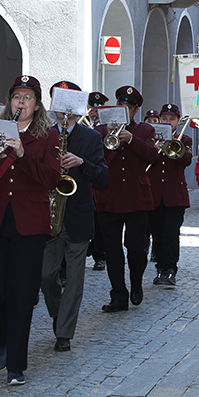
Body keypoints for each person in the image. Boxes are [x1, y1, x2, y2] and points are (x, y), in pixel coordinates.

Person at [0, 76, 60, 385]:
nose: (21, 102)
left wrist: (24, 154)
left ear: (37, 104)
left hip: (29, 222)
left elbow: (50, 178)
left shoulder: (48, 135)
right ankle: (1, 333)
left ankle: (16, 365)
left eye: (28, 97)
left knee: (21, 293)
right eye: (17, 97)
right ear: (10, 102)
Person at [40, 81, 109, 352]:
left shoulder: (90, 138)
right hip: (48, 215)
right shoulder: (43, 134)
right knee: (46, 277)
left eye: (70, 107)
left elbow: (103, 177)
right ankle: (60, 313)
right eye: (60, 106)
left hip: (78, 215)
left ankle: (64, 333)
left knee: (76, 281)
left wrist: (82, 163)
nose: (64, 113)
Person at [93, 86, 160, 312]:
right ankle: (118, 295)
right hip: (109, 196)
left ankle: (137, 284)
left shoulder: (145, 130)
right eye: (121, 105)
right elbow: (96, 160)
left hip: (136, 197)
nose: (124, 110)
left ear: (135, 110)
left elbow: (152, 155)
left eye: (129, 107)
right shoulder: (102, 130)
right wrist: (107, 135)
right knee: (112, 249)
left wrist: (131, 139)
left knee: (136, 246)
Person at [149, 103, 192, 286]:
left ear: (177, 122)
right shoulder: (150, 139)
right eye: (164, 119)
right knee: (157, 233)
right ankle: (160, 268)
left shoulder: (186, 139)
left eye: (171, 119)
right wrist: (155, 147)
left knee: (171, 233)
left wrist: (175, 145)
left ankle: (171, 269)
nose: (168, 122)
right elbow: (147, 159)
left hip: (175, 195)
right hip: (154, 194)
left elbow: (186, 160)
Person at [86, 91, 110, 271]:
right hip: (82, 177)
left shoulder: (107, 127)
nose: (93, 111)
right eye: (91, 108)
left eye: (97, 108)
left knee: (100, 220)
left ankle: (100, 255)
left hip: (98, 178)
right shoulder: (80, 124)